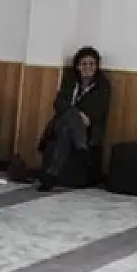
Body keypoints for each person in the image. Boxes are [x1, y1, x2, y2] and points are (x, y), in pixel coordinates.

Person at [36, 46, 112, 190]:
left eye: (92, 64)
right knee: (70, 118)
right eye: (84, 64)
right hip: (62, 122)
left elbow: (100, 111)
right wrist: (77, 114)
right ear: (77, 66)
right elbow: (58, 103)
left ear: (97, 66)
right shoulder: (70, 81)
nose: (88, 67)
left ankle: (51, 176)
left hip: (88, 126)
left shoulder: (103, 85)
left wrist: (83, 117)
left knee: (66, 131)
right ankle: (81, 146)